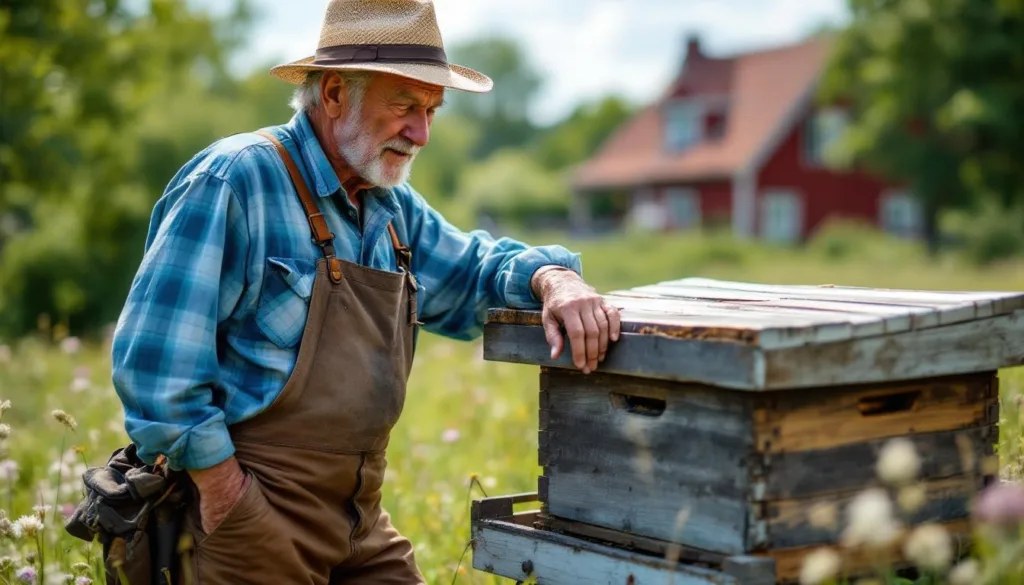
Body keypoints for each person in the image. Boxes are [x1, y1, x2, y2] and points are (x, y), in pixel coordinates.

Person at [109, 0, 621, 582]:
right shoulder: (235, 179)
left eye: (432, 109)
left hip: (359, 515)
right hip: (245, 508)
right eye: (405, 105)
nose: (422, 132)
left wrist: (553, 278)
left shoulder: (390, 206)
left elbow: (475, 273)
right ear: (332, 95)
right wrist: (227, 495)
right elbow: (156, 368)